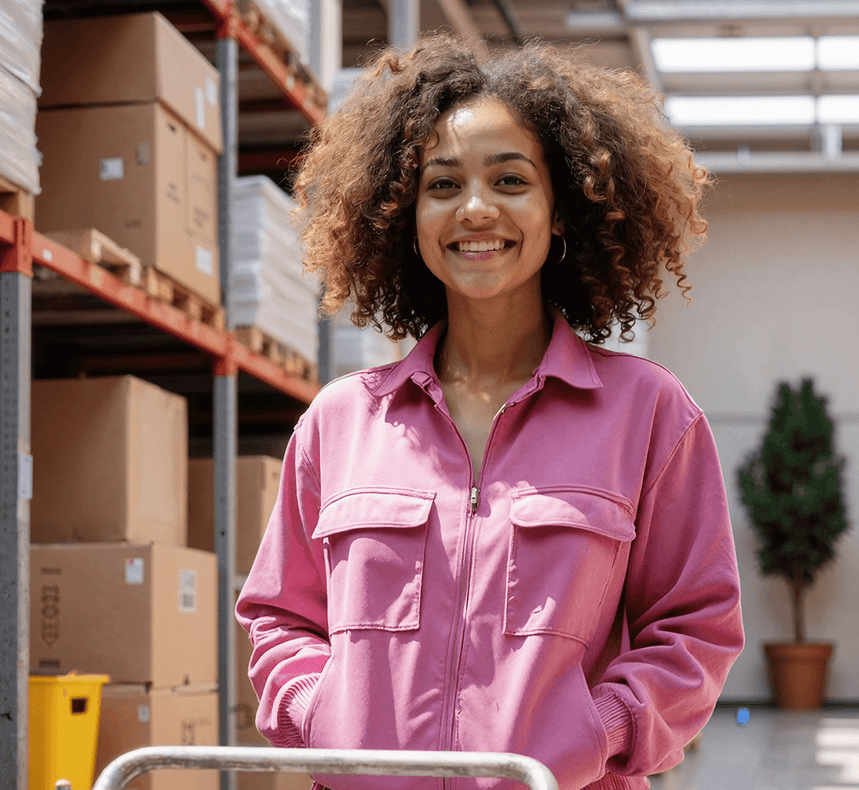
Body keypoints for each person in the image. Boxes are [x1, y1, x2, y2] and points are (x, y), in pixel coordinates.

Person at [235, 35, 744, 790]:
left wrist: (600, 729)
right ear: (407, 216)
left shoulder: (649, 416)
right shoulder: (339, 423)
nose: (476, 209)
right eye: (442, 185)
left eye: (510, 179)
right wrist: (321, 713)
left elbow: (695, 629)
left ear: (560, 209)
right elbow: (279, 619)